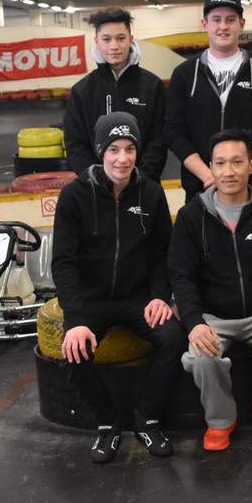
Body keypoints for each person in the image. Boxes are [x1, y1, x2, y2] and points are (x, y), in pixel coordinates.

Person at [51, 111, 185, 463]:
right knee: (72, 354)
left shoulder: (152, 193)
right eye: (113, 149)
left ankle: (147, 417)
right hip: (91, 302)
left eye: (129, 149)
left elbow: (163, 255)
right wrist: (75, 318)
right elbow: (63, 263)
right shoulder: (73, 196)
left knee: (174, 339)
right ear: (100, 151)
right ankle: (108, 423)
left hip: (138, 299)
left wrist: (160, 297)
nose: (122, 158)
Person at [169, 128, 252, 451]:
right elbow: (181, 276)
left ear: (251, 166)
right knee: (201, 358)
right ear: (210, 167)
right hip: (213, 316)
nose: (229, 171)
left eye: (237, 162)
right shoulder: (190, 216)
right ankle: (221, 420)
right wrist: (194, 323)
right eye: (220, 163)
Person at [165, 0, 252, 201]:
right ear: (205, 24)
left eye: (230, 19)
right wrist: (210, 175)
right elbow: (174, 132)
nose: (223, 26)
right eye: (216, 20)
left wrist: (240, 171)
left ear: (241, 24)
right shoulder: (184, 74)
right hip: (201, 188)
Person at [63, 7, 168, 181]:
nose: (114, 46)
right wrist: (99, 180)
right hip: (96, 187)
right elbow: (75, 144)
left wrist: (140, 178)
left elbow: (160, 139)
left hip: (144, 184)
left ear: (131, 40)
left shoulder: (152, 85)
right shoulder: (81, 91)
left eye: (120, 38)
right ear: (97, 41)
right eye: (106, 39)